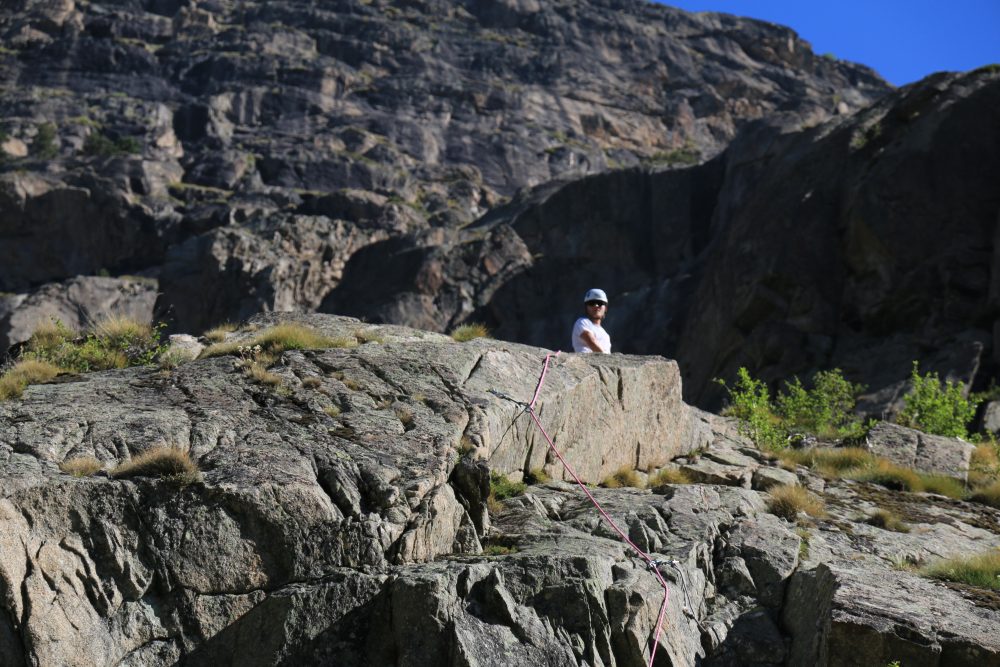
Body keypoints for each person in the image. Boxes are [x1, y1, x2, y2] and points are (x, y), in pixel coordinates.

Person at [572, 288, 611, 353]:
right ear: (586, 307)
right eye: (591, 303)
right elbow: (591, 342)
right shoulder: (582, 322)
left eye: (600, 303)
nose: (596, 306)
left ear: (606, 308)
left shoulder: (606, 335)